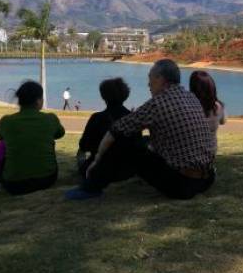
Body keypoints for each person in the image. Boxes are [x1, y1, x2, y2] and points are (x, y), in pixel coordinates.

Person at [65, 59, 216, 201]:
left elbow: (115, 130)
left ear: (160, 79)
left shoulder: (158, 103)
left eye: (150, 78)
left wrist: (97, 160)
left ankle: (91, 187)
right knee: (142, 141)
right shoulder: (191, 98)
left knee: (123, 141)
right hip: (207, 179)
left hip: (183, 185)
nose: (148, 84)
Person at [0, 80, 65, 195]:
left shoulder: (6, 121)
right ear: (38, 101)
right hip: (47, 179)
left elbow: (0, 136)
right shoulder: (50, 119)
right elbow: (60, 133)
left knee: (4, 147)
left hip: (14, 185)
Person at [76, 78, 131, 176]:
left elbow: (84, 145)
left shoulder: (97, 118)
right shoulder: (133, 117)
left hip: (99, 168)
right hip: (125, 170)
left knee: (80, 154)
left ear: (103, 96)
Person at [189, 71, 226, 143]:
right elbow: (223, 121)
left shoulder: (189, 107)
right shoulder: (218, 106)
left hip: (191, 150)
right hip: (211, 150)